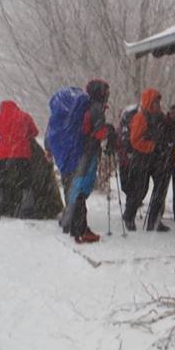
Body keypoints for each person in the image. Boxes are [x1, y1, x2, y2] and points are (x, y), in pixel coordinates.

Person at [62, 79, 116, 243]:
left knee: (78, 188)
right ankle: (81, 230)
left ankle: (74, 227)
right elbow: (98, 133)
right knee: (82, 190)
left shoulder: (87, 106)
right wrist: (109, 131)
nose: (107, 94)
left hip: (80, 152)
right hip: (88, 152)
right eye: (106, 91)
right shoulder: (96, 109)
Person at [125, 88, 170, 232]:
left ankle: (154, 221)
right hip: (142, 158)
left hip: (157, 159)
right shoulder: (140, 118)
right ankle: (129, 217)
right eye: (155, 102)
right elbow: (135, 141)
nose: (158, 105)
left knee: (160, 189)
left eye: (158, 102)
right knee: (140, 190)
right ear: (149, 103)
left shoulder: (161, 117)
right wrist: (153, 146)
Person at [147, 104, 175, 226]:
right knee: (163, 188)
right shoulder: (165, 124)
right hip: (167, 159)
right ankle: (159, 213)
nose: (173, 115)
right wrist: (164, 149)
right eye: (172, 113)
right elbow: (160, 140)